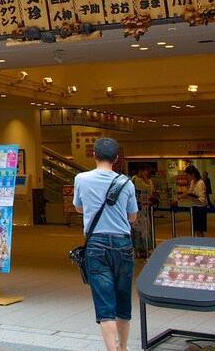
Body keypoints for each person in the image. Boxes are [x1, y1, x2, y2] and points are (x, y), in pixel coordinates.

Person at [73, 137, 137, 351]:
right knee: (123, 298)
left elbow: (79, 208)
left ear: (94, 155)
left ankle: (112, 350)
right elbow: (133, 216)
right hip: (122, 244)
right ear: (116, 158)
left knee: (104, 302)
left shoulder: (81, 179)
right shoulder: (126, 182)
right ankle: (123, 347)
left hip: (96, 245)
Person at [177, 165, 207, 237]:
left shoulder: (200, 184)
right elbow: (189, 191)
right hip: (195, 207)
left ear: (193, 174)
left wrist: (188, 197)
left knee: (198, 229)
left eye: (187, 175)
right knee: (196, 229)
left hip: (200, 209)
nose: (187, 177)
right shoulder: (193, 182)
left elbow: (201, 200)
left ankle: (202, 243)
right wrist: (181, 196)